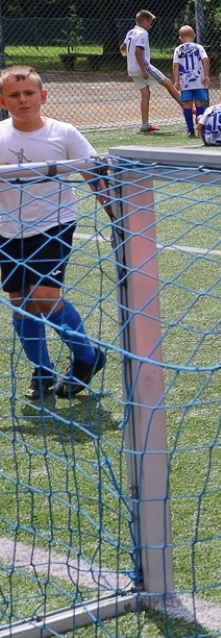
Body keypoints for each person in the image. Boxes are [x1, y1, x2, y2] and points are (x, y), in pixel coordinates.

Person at [0, 66, 107, 402]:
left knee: (44, 297)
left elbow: (95, 177)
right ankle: (42, 370)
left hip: (53, 223)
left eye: (29, 93)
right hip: (7, 229)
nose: (23, 100)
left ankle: (87, 357)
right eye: (14, 95)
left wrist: (119, 219)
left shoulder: (64, 134)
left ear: (43, 96)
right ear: (2, 101)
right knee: (21, 305)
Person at [121, 9, 181, 133]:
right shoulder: (143, 33)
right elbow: (138, 51)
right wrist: (143, 69)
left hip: (131, 68)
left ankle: (145, 124)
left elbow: (123, 47)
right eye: (149, 22)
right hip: (143, 67)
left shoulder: (131, 32)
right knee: (168, 83)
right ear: (144, 21)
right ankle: (187, 108)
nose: (150, 25)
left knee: (145, 94)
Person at [171, 24, 210, 138]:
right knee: (199, 103)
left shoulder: (178, 49)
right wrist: (206, 75)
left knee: (187, 105)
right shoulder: (199, 47)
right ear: (194, 36)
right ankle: (201, 130)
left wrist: (176, 80)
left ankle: (190, 130)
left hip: (185, 82)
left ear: (180, 38)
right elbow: (206, 59)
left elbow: (175, 65)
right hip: (199, 81)